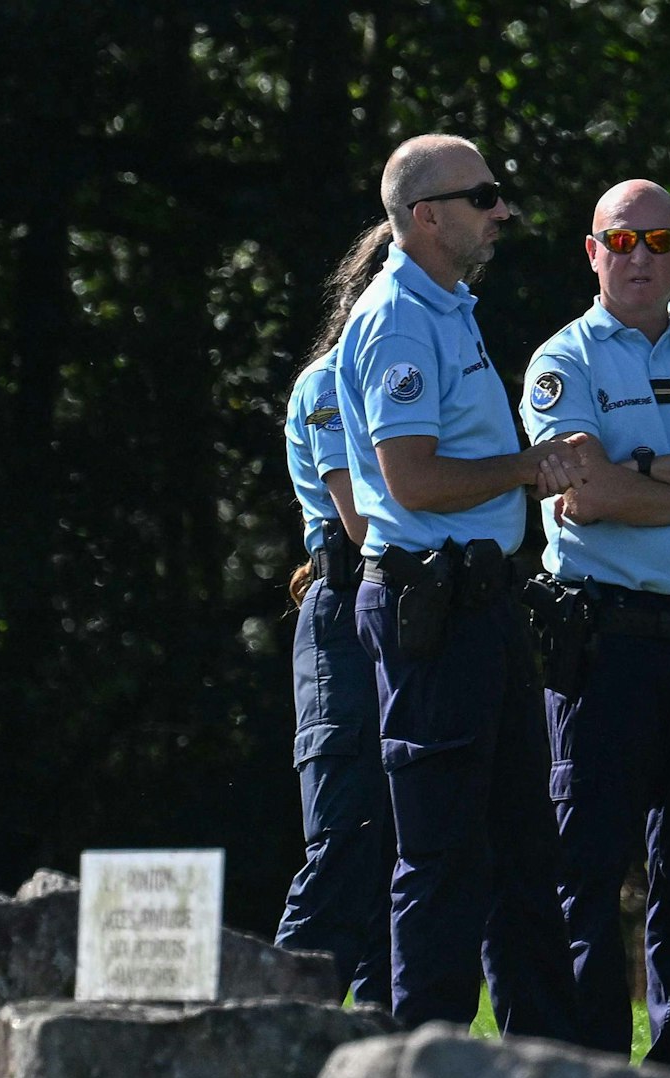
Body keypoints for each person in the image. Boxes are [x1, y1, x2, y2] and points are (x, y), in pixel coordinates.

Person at [331, 133, 581, 1039]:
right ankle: (414, 1074)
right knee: (441, 856)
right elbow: (413, 481)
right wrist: (529, 467)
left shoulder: (446, 306)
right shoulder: (399, 319)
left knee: (522, 844)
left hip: (480, 603)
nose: (502, 209)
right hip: (433, 610)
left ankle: (543, 1073)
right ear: (427, 216)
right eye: (484, 195)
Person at [517, 179, 670, 1073]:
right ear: (592, 253)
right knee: (584, 865)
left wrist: (644, 471)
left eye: (658, 241)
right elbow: (586, 494)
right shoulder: (564, 358)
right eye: (620, 242)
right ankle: (586, 1070)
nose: (639, 258)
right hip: (602, 643)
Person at [274, 218, 397, 1007]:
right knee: (345, 840)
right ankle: (270, 1033)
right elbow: (361, 518)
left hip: (398, 614)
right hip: (345, 612)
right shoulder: (330, 381)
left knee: (403, 850)